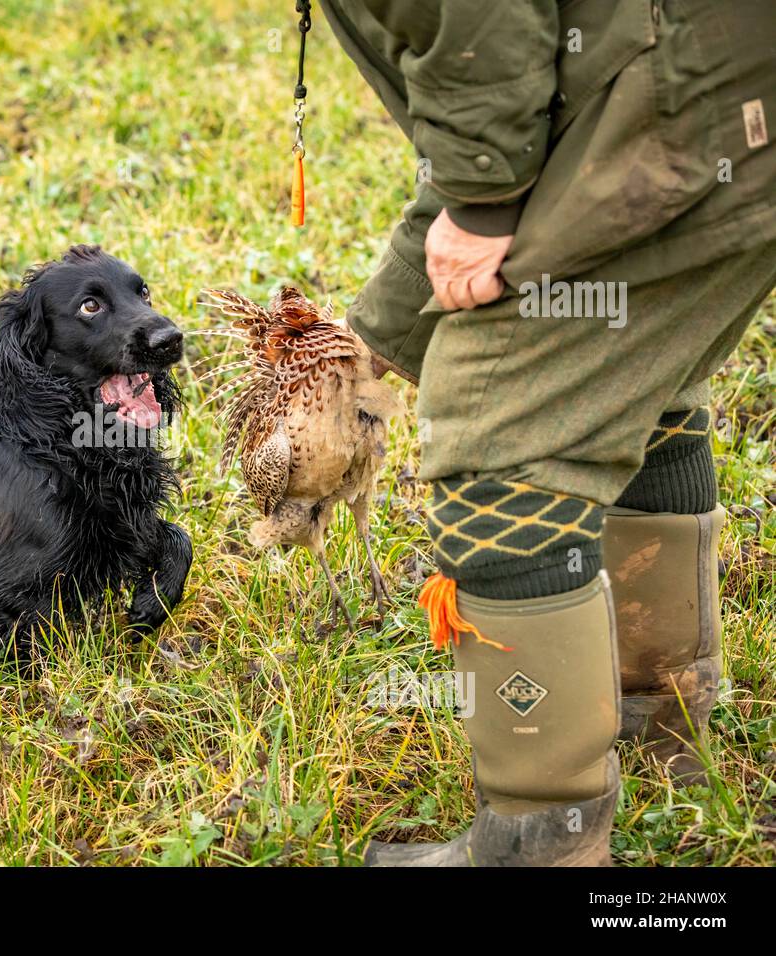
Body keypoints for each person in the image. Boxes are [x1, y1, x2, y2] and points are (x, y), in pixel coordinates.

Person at [314, 0, 776, 864]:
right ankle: (656, 724)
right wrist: (374, 340)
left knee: (503, 431)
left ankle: (543, 843)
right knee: (622, 369)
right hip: (720, 76)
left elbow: (487, 41)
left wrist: (484, 204)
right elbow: (531, 98)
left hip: (701, 93)